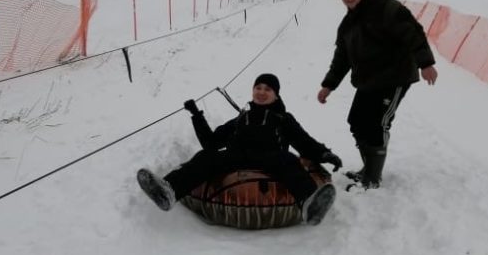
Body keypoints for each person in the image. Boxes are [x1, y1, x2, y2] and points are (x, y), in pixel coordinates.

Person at [137, 74, 343, 226]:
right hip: (238, 157)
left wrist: (325, 154)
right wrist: (196, 115)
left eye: (268, 89)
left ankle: (309, 203)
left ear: (276, 95)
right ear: (253, 91)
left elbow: (303, 141)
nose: (262, 92)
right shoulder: (241, 118)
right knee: (206, 156)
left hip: (271, 158)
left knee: (289, 159)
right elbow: (211, 142)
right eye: (258, 87)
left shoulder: (282, 118)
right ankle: (169, 191)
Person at [317, 0, 438, 188]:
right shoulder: (348, 23)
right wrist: (328, 85)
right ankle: (369, 168)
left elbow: (413, 31)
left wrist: (426, 63)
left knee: (377, 124)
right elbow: (341, 58)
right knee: (356, 120)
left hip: (395, 76)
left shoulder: (385, 7)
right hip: (368, 80)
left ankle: (372, 178)